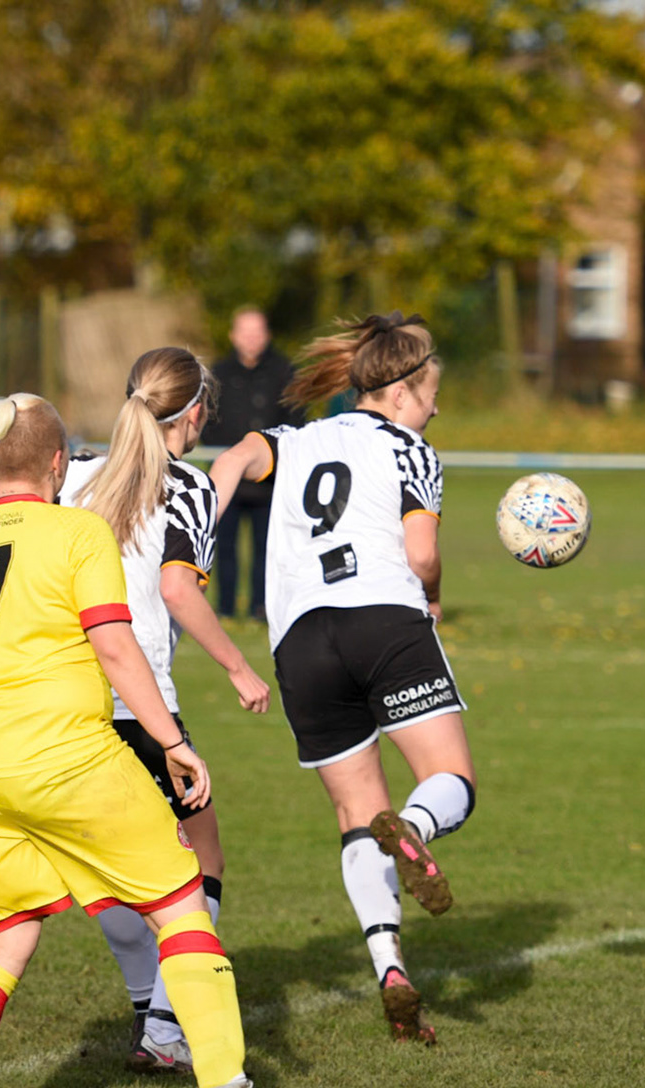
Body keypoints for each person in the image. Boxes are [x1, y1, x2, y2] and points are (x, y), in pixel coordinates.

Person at [0, 392, 312, 1088]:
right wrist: (174, 743)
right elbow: (115, 647)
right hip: (67, 756)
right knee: (182, 906)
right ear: (58, 463)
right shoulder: (77, 531)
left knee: (1, 938)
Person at [209, 312, 473, 1046]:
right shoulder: (412, 450)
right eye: (429, 394)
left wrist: (205, 519)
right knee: (450, 777)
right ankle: (416, 831)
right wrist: (436, 590)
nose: (434, 408)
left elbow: (231, 463)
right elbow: (419, 557)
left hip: (300, 640)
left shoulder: (295, 438)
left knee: (357, 813)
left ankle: (390, 967)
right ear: (399, 394)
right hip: (383, 620)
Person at [61, 347, 273, 1073]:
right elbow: (180, 592)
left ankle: (147, 1008)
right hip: (140, 701)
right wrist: (241, 668)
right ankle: (162, 1026)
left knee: (102, 870)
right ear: (198, 413)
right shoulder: (181, 488)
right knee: (200, 859)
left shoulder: (76, 473)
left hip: (60, 701)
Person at [206, 308, 303, 622]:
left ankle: (262, 608)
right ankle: (226, 608)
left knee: (268, 549)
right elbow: (206, 420)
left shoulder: (285, 372)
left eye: (257, 332)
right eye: (245, 332)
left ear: (267, 334)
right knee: (225, 548)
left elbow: (297, 419)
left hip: (270, 482)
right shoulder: (218, 373)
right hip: (227, 481)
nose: (251, 339)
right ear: (234, 336)